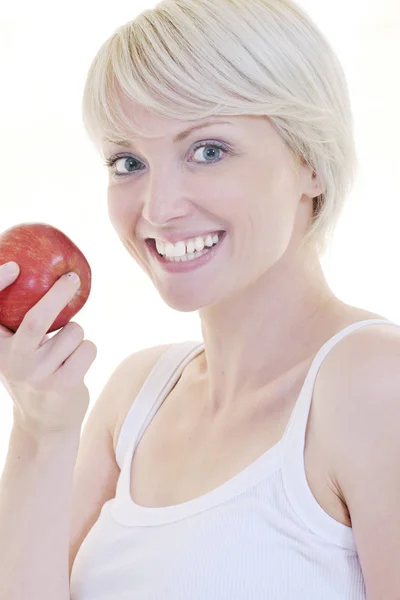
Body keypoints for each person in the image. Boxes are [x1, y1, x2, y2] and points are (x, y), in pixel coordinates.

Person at [0, 0, 399, 599]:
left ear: (310, 161)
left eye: (208, 150)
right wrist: (40, 428)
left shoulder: (374, 381)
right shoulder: (136, 395)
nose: (157, 210)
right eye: (128, 161)